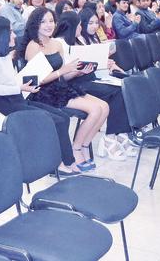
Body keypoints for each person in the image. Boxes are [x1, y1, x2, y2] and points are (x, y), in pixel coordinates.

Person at [0, 16, 80, 175]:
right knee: (55, 121)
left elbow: (10, 81)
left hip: (16, 99)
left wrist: (22, 85)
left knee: (63, 118)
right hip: (5, 104)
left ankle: (67, 160)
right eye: (10, 32)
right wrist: (19, 87)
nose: (14, 35)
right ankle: (60, 163)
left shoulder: (5, 55)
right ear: (1, 35)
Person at [20, 8, 110, 170]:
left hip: (60, 87)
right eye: (43, 22)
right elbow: (36, 80)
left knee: (104, 107)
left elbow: (64, 76)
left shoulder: (56, 43)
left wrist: (78, 71)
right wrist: (62, 71)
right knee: (95, 109)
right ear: (35, 25)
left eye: (51, 21)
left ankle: (84, 145)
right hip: (42, 92)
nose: (49, 25)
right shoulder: (33, 46)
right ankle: (76, 149)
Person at [54, 12, 134, 160]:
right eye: (79, 26)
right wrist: (80, 70)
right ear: (72, 27)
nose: (81, 28)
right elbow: (64, 75)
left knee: (123, 86)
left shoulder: (78, 39)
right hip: (74, 84)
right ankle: (110, 137)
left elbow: (88, 62)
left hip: (87, 77)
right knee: (115, 92)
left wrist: (102, 62)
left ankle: (120, 133)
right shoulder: (60, 43)